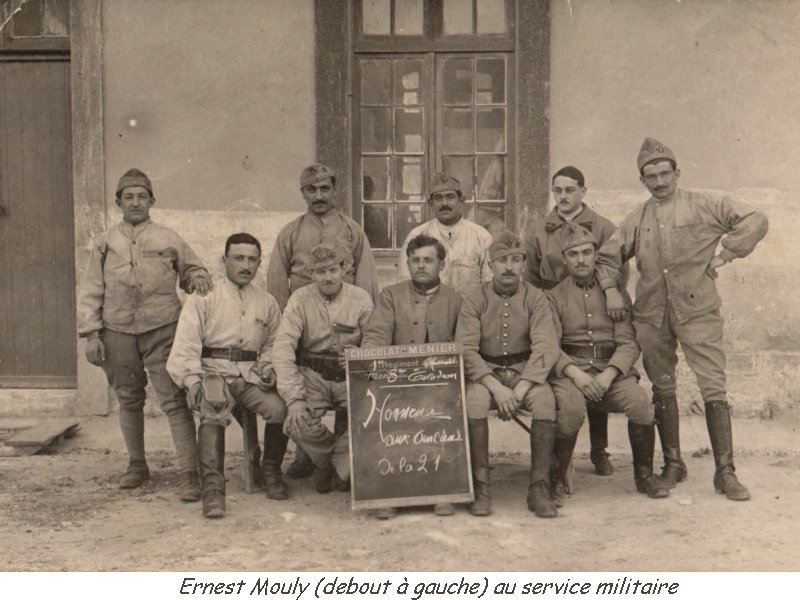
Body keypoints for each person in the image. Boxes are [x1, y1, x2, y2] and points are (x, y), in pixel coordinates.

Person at [598, 138, 768, 500]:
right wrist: (611, 289)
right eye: (651, 177)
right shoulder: (637, 219)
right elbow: (608, 257)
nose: (659, 182)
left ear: (677, 173)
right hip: (651, 315)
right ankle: (673, 464)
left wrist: (725, 255)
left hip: (698, 311)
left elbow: (756, 219)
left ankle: (725, 472)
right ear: (642, 180)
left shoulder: (705, 204)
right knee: (662, 387)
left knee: (713, 387)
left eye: (665, 174)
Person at [77, 168, 212, 501]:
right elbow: (91, 288)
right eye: (128, 197)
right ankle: (137, 465)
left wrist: (197, 278)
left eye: (141, 196)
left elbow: (193, 268)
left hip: (163, 330)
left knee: (174, 401)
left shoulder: (169, 238)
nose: (135, 202)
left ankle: (189, 473)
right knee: (128, 399)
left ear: (152, 200)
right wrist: (91, 334)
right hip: (118, 332)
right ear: (118, 203)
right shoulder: (105, 242)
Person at [267, 163, 378, 479]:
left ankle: (337, 461)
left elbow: (366, 280)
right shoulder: (290, 232)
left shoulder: (352, 230)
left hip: (347, 325)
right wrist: (283, 324)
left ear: (334, 190)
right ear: (303, 193)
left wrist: (363, 340)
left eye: (324, 189)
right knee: (304, 396)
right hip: (305, 325)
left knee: (353, 403)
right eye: (311, 190)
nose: (318, 196)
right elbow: (277, 283)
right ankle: (313, 459)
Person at [166, 233, 288, 518]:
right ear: (224, 260)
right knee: (212, 409)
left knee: (280, 409)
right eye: (238, 258)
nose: (245, 265)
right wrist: (192, 380)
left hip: (250, 376)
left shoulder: (267, 302)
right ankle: (213, 492)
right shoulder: (204, 297)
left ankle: (270, 471)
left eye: (252, 259)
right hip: (213, 373)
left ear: (259, 263)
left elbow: (275, 343)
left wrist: (269, 366)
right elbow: (186, 343)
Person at [546, 223, 669, 504]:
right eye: (573, 254)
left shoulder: (616, 295)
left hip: (610, 371)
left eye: (587, 252)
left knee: (640, 403)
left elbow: (628, 342)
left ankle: (644, 476)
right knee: (571, 411)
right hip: (572, 372)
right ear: (564, 259)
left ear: (595, 255)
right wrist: (577, 376)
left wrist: (608, 375)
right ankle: (556, 479)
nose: (581, 260)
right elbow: (550, 346)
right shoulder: (553, 297)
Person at [456, 231, 570, 518]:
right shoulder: (474, 298)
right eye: (502, 260)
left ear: (523, 264)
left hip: (525, 372)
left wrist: (520, 389)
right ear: (490, 265)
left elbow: (546, 346)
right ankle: (481, 487)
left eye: (516, 260)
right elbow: (466, 349)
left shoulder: (536, 298)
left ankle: (538, 487)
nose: (509, 267)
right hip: (486, 373)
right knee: (474, 403)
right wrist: (496, 388)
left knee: (545, 402)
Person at [526, 165, 630, 477]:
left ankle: (599, 449)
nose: (563, 196)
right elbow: (531, 274)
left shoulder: (603, 227)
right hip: (552, 308)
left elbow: (617, 267)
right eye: (557, 190)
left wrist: (609, 292)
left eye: (570, 190)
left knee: (595, 362)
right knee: (562, 379)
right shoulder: (539, 230)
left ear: (583, 191)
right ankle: (560, 457)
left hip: (594, 302)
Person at [362, 234, 463, 519]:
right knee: (387, 418)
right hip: (397, 382)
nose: (421, 266)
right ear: (407, 263)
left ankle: (442, 491)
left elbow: (463, 343)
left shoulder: (456, 300)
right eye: (415, 260)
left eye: (428, 260)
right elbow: (375, 335)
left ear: (441, 265)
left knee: (443, 416)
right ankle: (390, 492)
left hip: (440, 383)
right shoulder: (390, 296)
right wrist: (376, 364)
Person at [272, 244, 374, 494]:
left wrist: (360, 356)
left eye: (332, 270)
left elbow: (374, 338)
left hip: (350, 375)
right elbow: (283, 346)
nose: (327, 277)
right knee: (294, 422)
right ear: (311, 274)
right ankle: (336, 462)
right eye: (320, 271)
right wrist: (294, 398)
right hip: (313, 375)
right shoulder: (300, 299)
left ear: (344, 269)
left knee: (374, 415)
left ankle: (325, 463)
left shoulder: (361, 298)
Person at [398, 172, 494, 298]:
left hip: (469, 309)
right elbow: (405, 285)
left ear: (461, 201)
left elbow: (490, 286)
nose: (444, 203)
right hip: (428, 309)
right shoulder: (417, 236)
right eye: (438, 198)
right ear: (431, 203)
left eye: (450, 197)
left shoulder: (481, 237)